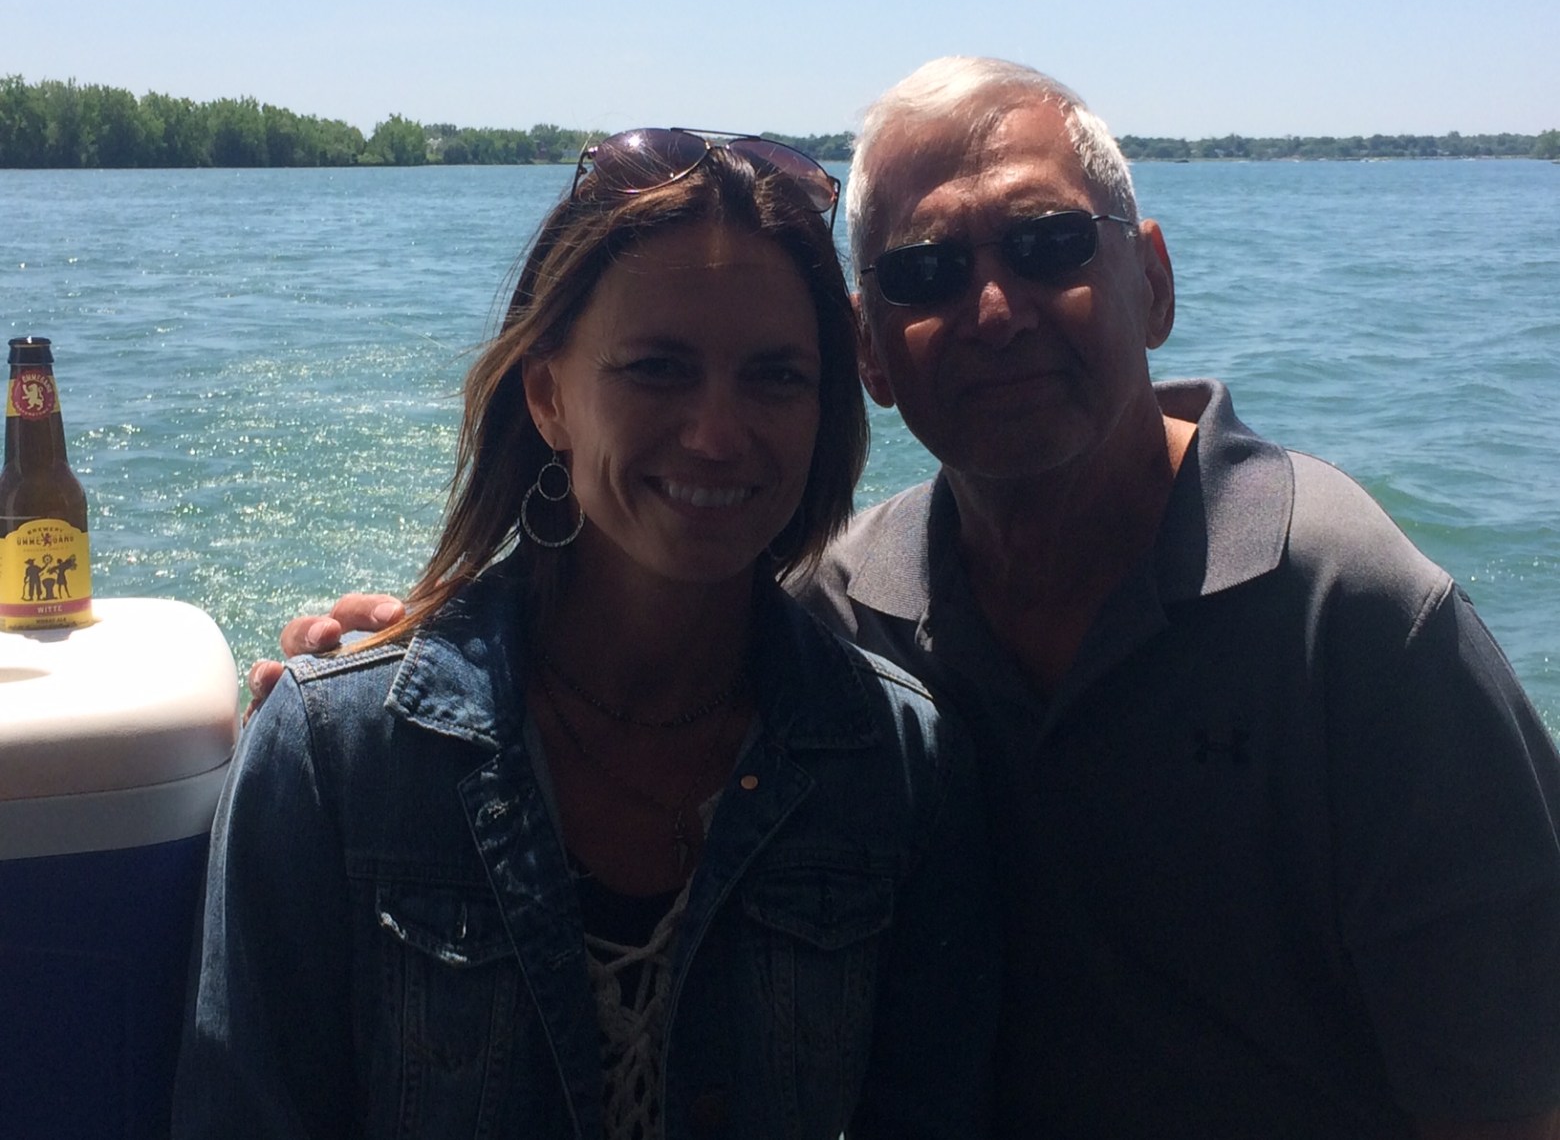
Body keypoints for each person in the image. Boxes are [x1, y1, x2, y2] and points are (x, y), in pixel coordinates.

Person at [256, 60, 1560, 1139]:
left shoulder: (1357, 612)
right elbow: (649, 576)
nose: (994, 307)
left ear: (1152, 281)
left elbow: (1511, 1085)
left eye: (1049, 245)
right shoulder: (844, 613)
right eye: (927, 273)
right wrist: (400, 658)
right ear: (872, 351)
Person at [178, 128, 997, 1140]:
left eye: (776, 377)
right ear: (548, 392)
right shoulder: (335, 758)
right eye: (658, 368)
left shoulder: (899, 766)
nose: (717, 432)